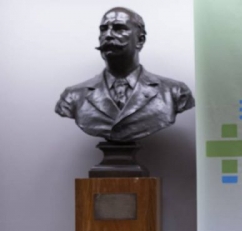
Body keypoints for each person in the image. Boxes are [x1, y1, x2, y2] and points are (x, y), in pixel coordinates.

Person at [55, 7, 195, 143]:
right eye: (103, 29)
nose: (108, 35)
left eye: (119, 28)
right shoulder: (73, 96)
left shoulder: (175, 92)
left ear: (140, 40)